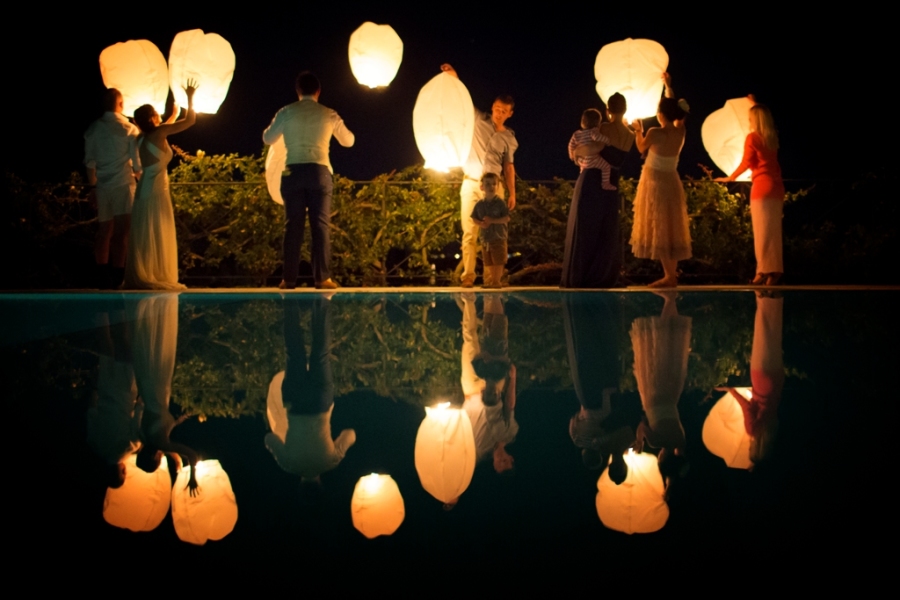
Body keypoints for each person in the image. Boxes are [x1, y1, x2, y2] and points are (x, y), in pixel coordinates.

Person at [263, 71, 354, 290]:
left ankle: (289, 279)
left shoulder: (286, 112)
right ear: (318, 92)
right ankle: (322, 278)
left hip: (292, 172)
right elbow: (349, 141)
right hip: (319, 173)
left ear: (297, 91)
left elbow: (267, 138)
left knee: (292, 227)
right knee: (320, 226)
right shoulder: (328, 114)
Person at [440, 64, 517, 288]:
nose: (498, 113)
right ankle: (468, 275)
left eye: (504, 111)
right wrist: (454, 77)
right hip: (471, 183)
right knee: (469, 232)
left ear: (510, 113)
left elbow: (509, 166)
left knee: (495, 234)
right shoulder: (477, 120)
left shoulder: (509, 137)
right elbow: (463, 101)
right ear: (492, 106)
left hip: (495, 187)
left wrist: (512, 193)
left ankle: (492, 278)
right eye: (496, 108)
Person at [124, 81, 197, 290]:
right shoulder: (158, 133)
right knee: (156, 228)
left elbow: (161, 131)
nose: (160, 115)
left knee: (148, 231)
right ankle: (155, 273)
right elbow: (190, 120)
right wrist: (190, 97)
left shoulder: (141, 138)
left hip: (145, 188)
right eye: (157, 114)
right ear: (152, 119)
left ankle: (149, 270)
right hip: (155, 190)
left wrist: (172, 115)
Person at [630, 74, 691, 288]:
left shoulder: (655, 132)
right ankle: (671, 274)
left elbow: (640, 147)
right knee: (671, 226)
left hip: (655, 181)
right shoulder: (680, 131)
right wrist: (668, 86)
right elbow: (675, 109)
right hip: (671, 180)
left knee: (661, 227)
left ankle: (669, 276)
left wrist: (638, 131)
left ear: (660, 114)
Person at [715, 102, 785, 286]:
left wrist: (730, 178)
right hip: (776, 187)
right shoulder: (772, 138)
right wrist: (754, 103)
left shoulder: (752, 138)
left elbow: (746, 162)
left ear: (755, 120)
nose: (748, 121)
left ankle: (762, 271)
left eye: (750, 118)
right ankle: (774, 272)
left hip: (762, 188)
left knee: (762, 232)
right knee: (773, 232)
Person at [84, 88, 142, 289]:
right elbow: (137, 164)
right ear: (120, 104)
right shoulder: (129, 129)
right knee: (121, 234)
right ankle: (118, 276)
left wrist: (93, 187)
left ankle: (102, 276)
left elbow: (90, 163)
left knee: (103, 231)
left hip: (102, 186)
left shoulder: (93, 129)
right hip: (124, 185)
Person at [560, 108, 618, 288]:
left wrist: (574, 155)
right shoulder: (596, 132)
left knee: (584, 224)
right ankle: (606, 183)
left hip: (585, 170)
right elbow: (601, 143)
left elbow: (571, 148)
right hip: (595, 172)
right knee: (605, 168)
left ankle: (580, 271)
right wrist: (608, 141)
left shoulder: (577, 135)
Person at [470, 173, 510, 289]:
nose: (491, 187)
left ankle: (497, 281)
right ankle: (493, 280)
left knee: (498, 259)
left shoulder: (500, 203)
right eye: (487, 184)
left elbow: (506, 218)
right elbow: (474, 218)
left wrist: (492, 220)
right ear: (482, 187)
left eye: (494, 184)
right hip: (485, 238)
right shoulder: (479, 204)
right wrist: (481, 224)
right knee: (489, 260)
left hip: (498, 236)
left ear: (497, 186)